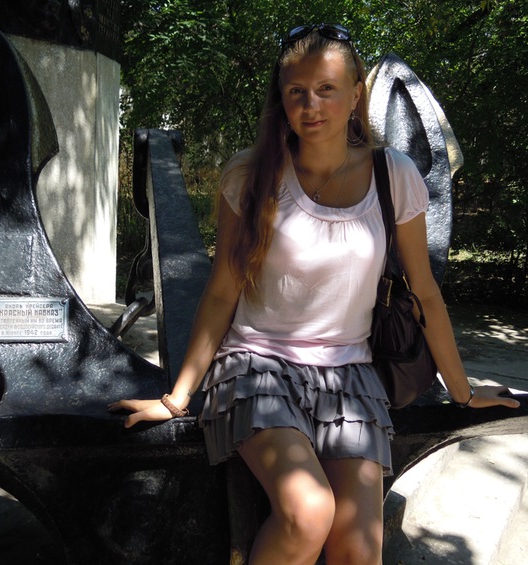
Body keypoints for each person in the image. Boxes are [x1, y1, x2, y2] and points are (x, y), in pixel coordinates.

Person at [109, 24, 519, 565]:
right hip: (257, 367)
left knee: (359, 549)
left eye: (327, 89)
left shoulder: (393, 176)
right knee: (307, 513)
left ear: (356, 95)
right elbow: (222, 291)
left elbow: (425, 293)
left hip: (350, 376)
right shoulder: (252, 175)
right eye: (297, 91)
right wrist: (178, 398)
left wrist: (462, 392)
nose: (312, 105)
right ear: (281, 99)